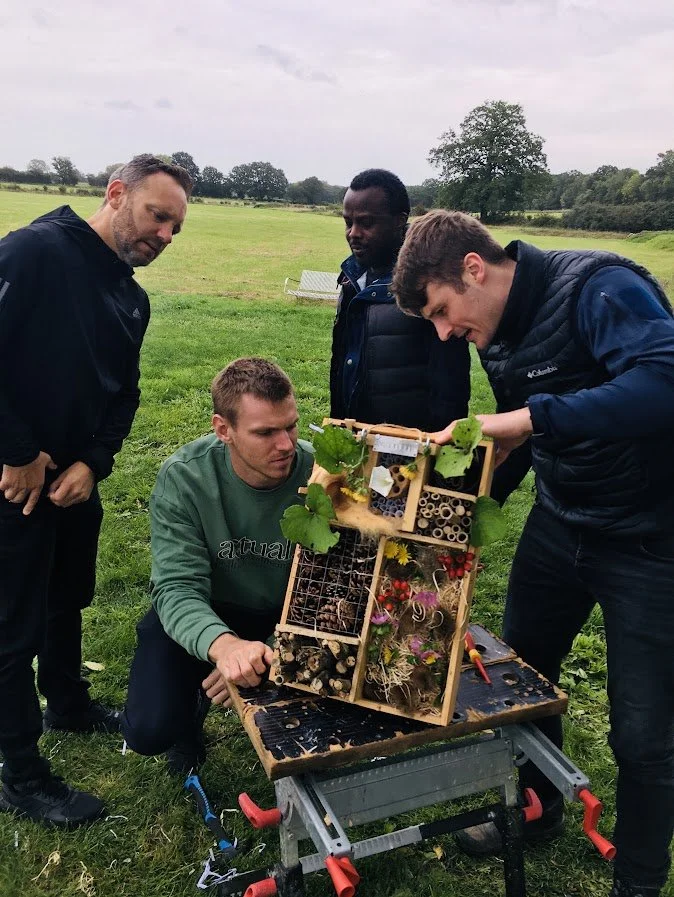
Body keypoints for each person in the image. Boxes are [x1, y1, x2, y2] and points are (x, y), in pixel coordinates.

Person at [392, 210, 674, 897]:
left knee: (643, 731)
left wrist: (532, 415)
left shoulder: (600, 286)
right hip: (561, 521)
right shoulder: (496, 328)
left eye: (440, 310)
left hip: (649, 538)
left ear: (474, 268)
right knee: (525, 679)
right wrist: (451, 515)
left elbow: (664, 382)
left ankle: (638, 882)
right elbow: (522, 440)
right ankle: (539, 806)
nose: (442, 331)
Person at [0, 155, 192, 826]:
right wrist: (19, 451)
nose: (164, 235)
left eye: (175, 227)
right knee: (9, 624)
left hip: (74, 483)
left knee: (66, 596)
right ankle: (21, 772)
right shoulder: (33, 252)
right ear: (116, 195)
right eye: (156, 215)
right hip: (11, 481)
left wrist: (93, 463)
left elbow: (124, 392)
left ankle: (68, 702)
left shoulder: (130, 296)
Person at [121, 358, 314, 776]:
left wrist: (268, 650)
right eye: (265, 432)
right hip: (209, 601)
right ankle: (191, 711)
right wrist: (224, 648)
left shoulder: (322, 477)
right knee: (148, 731)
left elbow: (335, 589)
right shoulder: (185, 477)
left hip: (288, 615)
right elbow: (175, 586)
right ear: (223, 429)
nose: (286, 445)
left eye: (291, 426)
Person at [330, 169, 529, 503]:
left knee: (400, 525)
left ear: (399, 220)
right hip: (359, 434)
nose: (354, 233)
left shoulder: (430, 285)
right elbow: (344, 360)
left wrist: (434, 448)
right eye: (348, 222)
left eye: (366, 222)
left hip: (412, 442)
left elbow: (449, 382)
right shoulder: (351, 276)